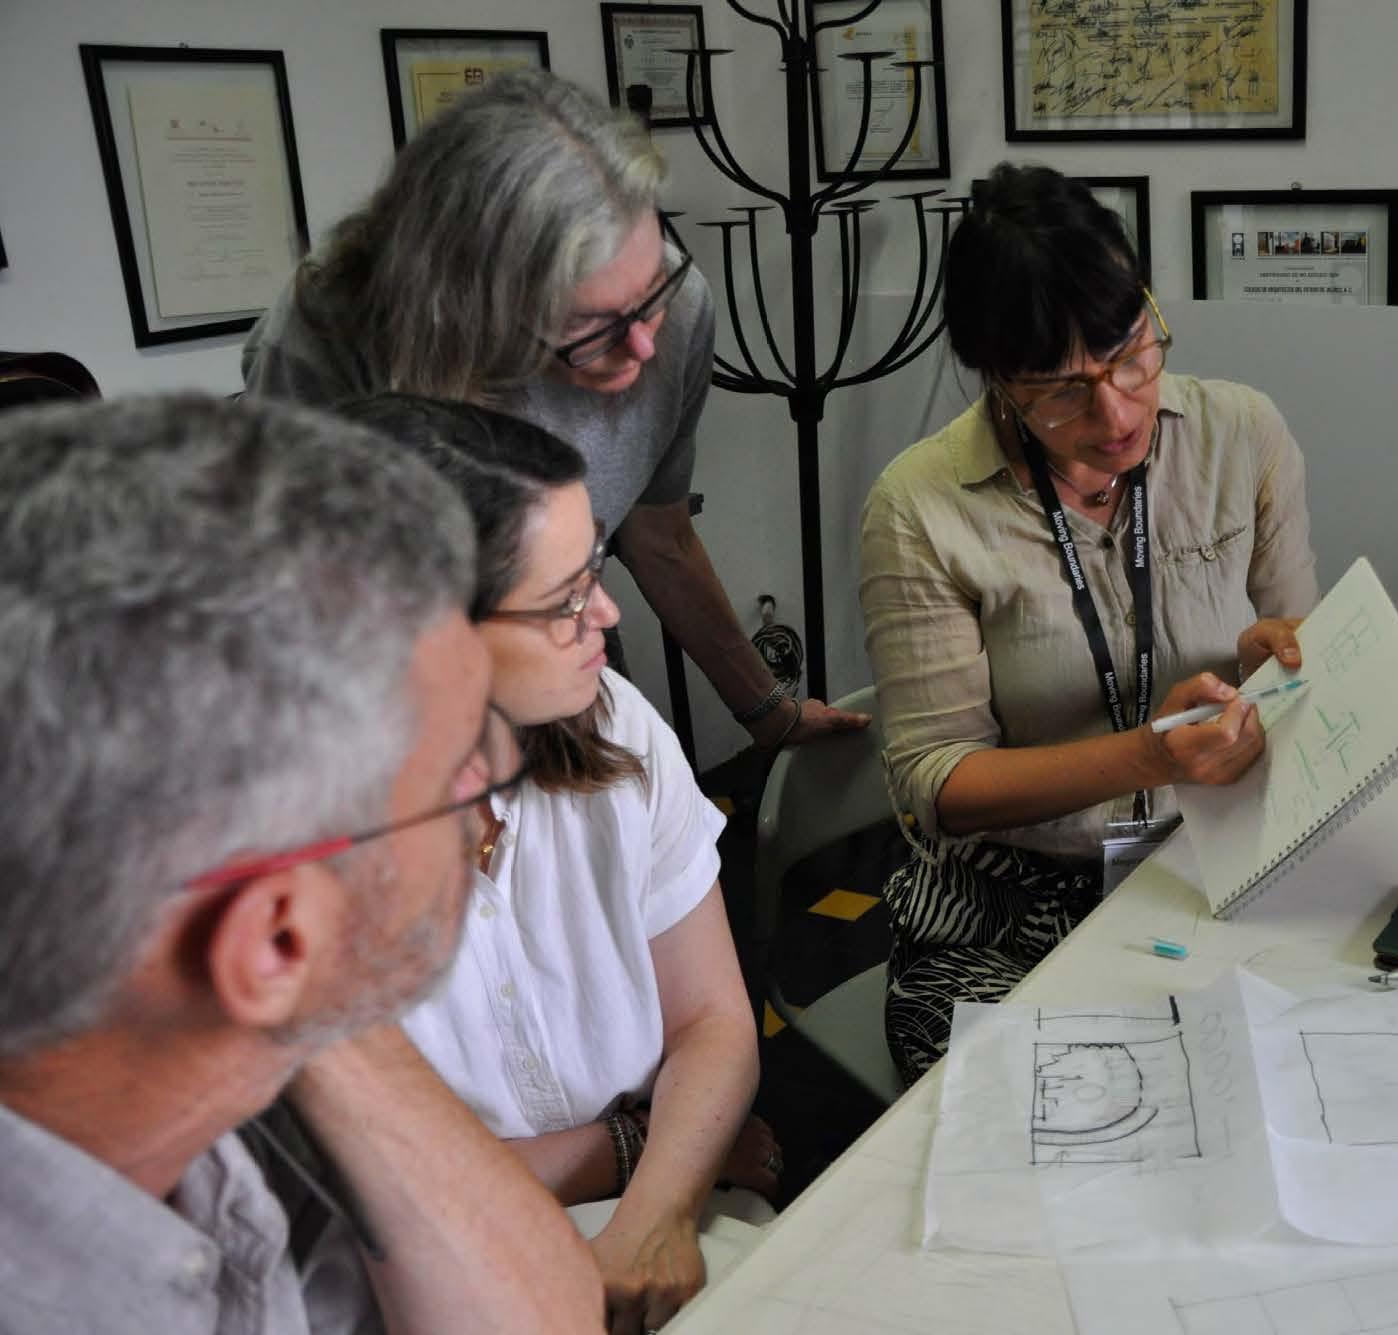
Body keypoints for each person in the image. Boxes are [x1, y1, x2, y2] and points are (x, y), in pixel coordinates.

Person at [0, 395, 601, 1334]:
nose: (485, 778)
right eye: (453, 765)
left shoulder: (192, 1093)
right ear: (274, 936)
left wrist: (305, 994)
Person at [241, 67, 866, 750]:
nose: (643, 344)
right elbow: (301, 617)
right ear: (473, 306)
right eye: (591, 323)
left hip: (567, 689)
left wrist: (770, 712)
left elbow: (659, 536)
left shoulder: (677, 311)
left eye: (653, 290)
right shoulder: (325, 340)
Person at [859, 164, 1320, 1083]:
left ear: (1149, 310)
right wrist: (1149, 755)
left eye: (1130, 355)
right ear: (999, 380)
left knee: (1287, 1079)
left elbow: (1300, 644)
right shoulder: (920, 506)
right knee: (1069, 1119)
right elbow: (938, 784)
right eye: (1061, 390)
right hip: (1004, 904)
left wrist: (1267, 659)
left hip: (1210, 860)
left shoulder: (1243, 435)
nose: (1115, 412)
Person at [339, 395, 768, 1333]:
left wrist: (654, 1217)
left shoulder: (610, 720)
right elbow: (383, 1214)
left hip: (656, 1205)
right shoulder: (295, 860)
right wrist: (628, 1146)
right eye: (565, 599)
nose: (606, 613)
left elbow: (711, 1019)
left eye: (596, 569)